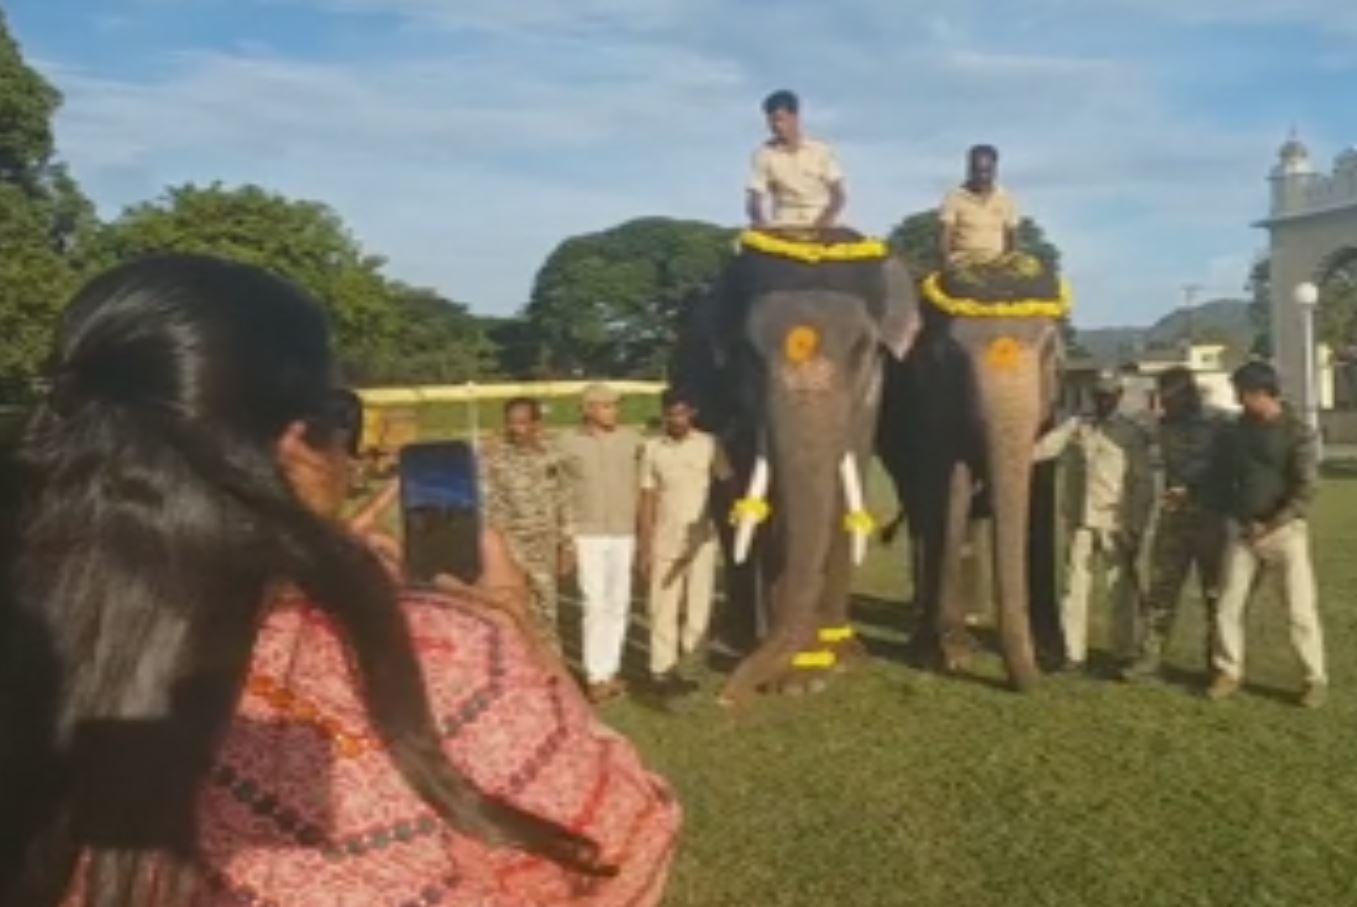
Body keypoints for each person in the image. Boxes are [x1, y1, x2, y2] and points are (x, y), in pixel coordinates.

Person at [0, 255, 678, 907]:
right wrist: (508, 625)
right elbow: (619, 853)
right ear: (298, 441)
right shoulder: (443, 654)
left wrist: (299, 578)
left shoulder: (34, 641)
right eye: (342, 416)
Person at [1206, 361, 1327, 707]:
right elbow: (1223, 475)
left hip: (1285, 533)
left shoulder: (1297, 432)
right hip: (1242, 531)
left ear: (1262, 393)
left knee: (1300, 611)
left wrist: (1271, 522)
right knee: (1228, 606)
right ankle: (1229, 670)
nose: (1238, 400)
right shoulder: (1236, 431)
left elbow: (1305, 489)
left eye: (1242, 394)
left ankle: (1314, 678)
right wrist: (1233, 514)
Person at [1035, 372, 1155, 672]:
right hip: (1079, 519)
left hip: (1115, 520)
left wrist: (1135, 524)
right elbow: (1046, 448)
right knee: (1073, 587)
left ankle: (1122, 651)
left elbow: (1142, 484)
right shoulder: (1078, 425)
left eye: (1108, 394)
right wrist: (1012, 455)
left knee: (1119, 589)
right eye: (1098, 394)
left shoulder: (1130, 433)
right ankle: (1072, 652)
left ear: (1118, 395)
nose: (1102, 399)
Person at [1123, 367, 1229, 682]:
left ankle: (1218, 664)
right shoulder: (1162, 426)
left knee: (1215, 595)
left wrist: (1197, 492)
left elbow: (1230, 471)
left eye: (1167, 397)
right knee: (1160, 594)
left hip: (1211, 521)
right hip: (1174, 521)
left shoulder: (1220, 424)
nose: (1162, 404)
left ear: (1186, 393)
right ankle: (1149, 658)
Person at [637, 390, 730, 698]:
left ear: (692, 413)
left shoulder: (709, 444)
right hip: (665, 537)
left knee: (698, 603)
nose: (676, 419)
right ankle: (661, 669)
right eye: (671, 414)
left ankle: (691, 663)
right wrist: (645, 543)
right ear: (664, 415)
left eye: (682, 413)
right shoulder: (652, 448)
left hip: (701, 538)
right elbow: (648, 496)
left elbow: (725, 484)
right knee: (662, 605)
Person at [558, 384, 644, 704]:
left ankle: (611, 668)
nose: (613, 411)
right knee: (595, 603)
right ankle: (596, 675)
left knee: (619, 602)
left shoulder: (632, 440)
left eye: (615, 406)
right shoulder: (568, 443)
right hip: (588, 532)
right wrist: (565, 535)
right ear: (588, 409)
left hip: (624, 530)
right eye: (606, 406)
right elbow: (556, 482)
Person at [479, 396, 575, 652]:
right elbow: (488, 503)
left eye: (522, 422)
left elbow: (564, 500)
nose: (516, 429)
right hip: (510, 545)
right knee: (513, 608)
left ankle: (553, 669)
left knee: (547, 609)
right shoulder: (494, 457)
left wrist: (567, 546)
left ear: (536, 424)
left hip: (544, 544)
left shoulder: (552, 456)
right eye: (511, 423)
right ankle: (522, 666)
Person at [746, 89, 846, 230]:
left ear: (795, 117)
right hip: (784, 223)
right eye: (770, 121)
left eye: (779, 119)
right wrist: (760, 221)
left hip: (823, 222)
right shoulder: (763, 154)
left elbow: (838, 195)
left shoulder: (821, 150)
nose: (775, 126)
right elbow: (754, 199)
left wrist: (823, 222)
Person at [939, 144, 1020, 266]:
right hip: (963, 262)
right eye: (977, 171)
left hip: (998, 263)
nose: (982, 176)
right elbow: (945, 234)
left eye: (987, 171)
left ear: (995, 171)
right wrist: (946, 263)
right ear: (969, 170)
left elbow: (1012, 235)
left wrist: (1012, 262)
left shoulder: (1006, 198)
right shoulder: (954, 197)